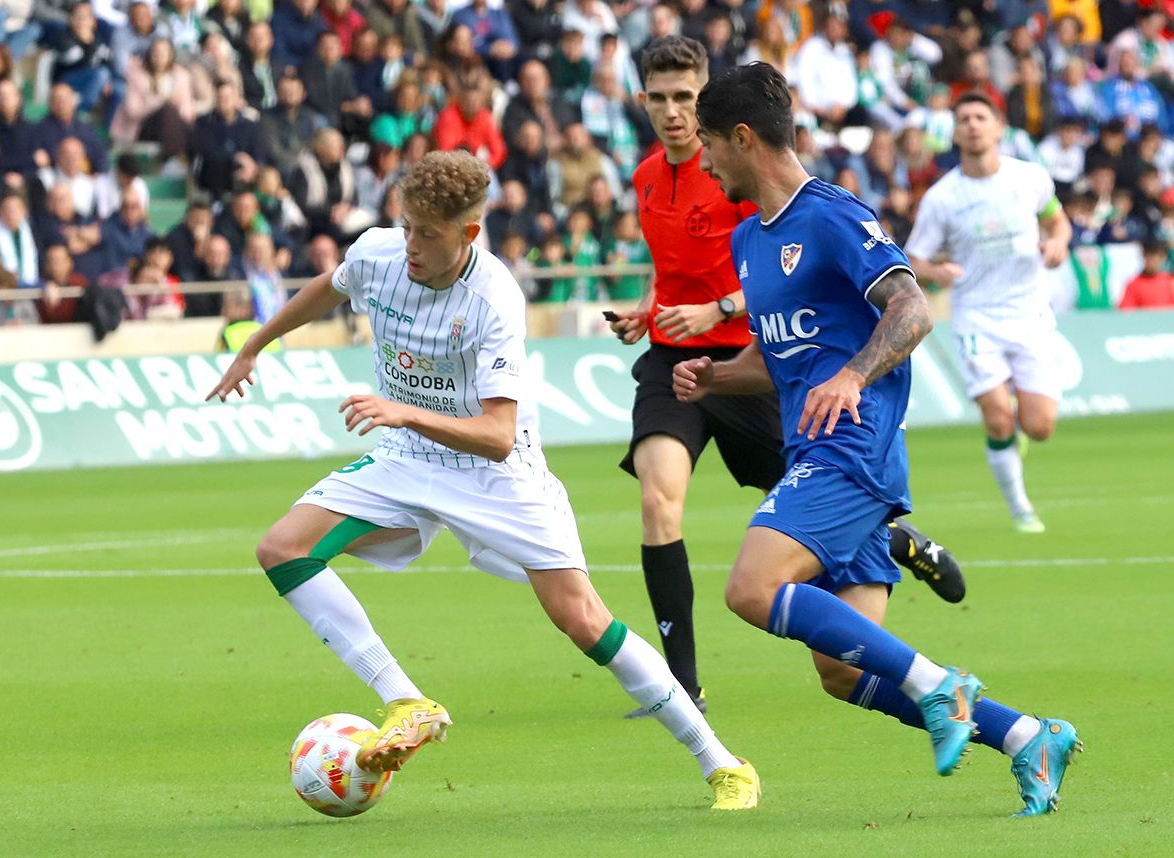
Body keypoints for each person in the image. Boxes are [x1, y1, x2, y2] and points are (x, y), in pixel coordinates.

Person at [205, 150, 760, 811]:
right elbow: (333, 284)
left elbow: (497, 435)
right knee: (283, 548)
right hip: (409, 456)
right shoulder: (383, 253)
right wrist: (254, 346)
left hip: (499, 475)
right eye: (407, 226)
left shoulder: (494, 297)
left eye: (428, 234)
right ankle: (407, 702)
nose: (411, 245)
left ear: (468, 234)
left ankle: (722, 763)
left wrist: (401, 409)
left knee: (582, 620)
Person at [674, 61, 1080, 818]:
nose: (702, 161)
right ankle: (1028, 736)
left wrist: (856, 377)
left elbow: (913, 310)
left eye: (708, 143)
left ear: (740, 137)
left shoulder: (832, 215)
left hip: (852, 450)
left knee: (750, 589)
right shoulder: (748, 240)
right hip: (812, 449)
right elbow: (780, 357)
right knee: (839, 668)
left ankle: (942, 688)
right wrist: (715, 378)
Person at [608, 37, 964, 718]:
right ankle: (681, 686)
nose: (673, 115)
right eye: (658, 98)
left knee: (765, 577)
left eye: (686, 99)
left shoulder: (781, 200)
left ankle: (913, 608)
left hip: (798, 391)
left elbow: (840, 292)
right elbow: (693, 275)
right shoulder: (651, 178)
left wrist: (843, 372)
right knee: (660, 504)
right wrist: (656, 318)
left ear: (729, 129)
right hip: (696, 363)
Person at [905, 92, 1074, 534]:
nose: (973, 125)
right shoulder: (943, 198)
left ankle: (1019, 436)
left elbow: (1057, 220)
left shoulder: (1029, 178)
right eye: (964, 119)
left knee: (1039, 427)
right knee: (998, 415)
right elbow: (912, 260)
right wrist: (935, 270)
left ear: (999, 127)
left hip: (1031, 314)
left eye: (981, 117)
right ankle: (1021, 509)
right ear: (955, 132)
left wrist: (1057, 243)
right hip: (977, 316)